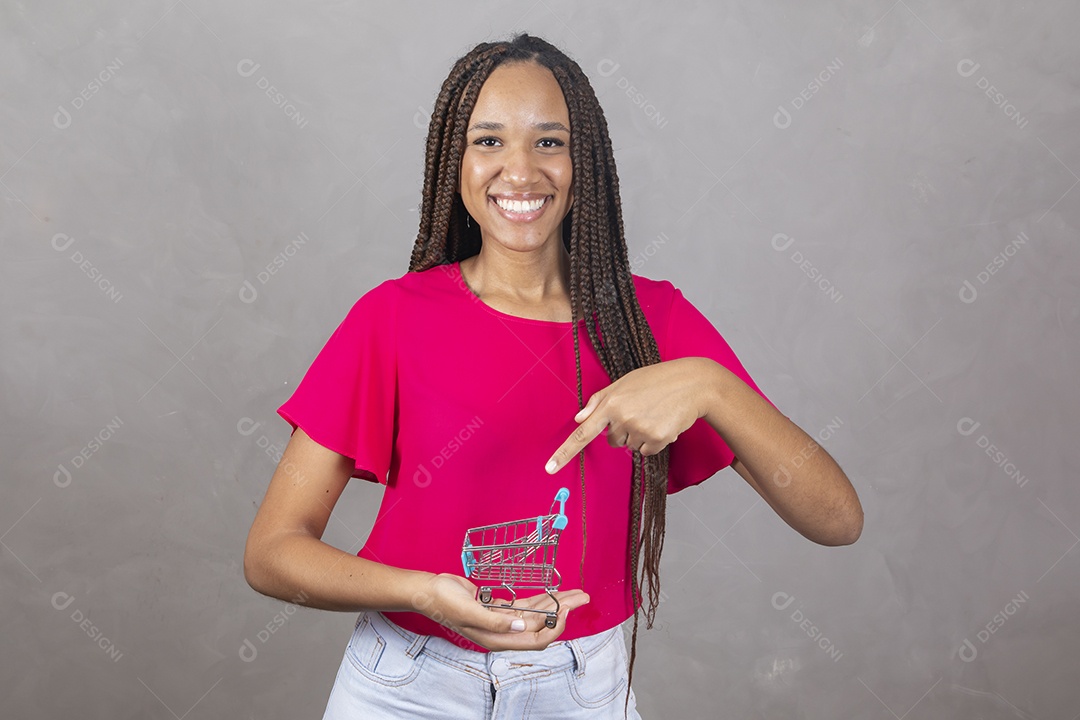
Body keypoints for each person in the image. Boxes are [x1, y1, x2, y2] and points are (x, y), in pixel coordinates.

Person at [243, 32, 863, 719]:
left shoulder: (648, 321)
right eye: (488, 141)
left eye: (548, 141)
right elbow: (273, 552)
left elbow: (836, 519)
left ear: (585, 161)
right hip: (408, 684)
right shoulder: (392, 318)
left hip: (581, 689)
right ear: (453, 159)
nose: (519, 171)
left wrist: (711, 384)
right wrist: (423, 591)